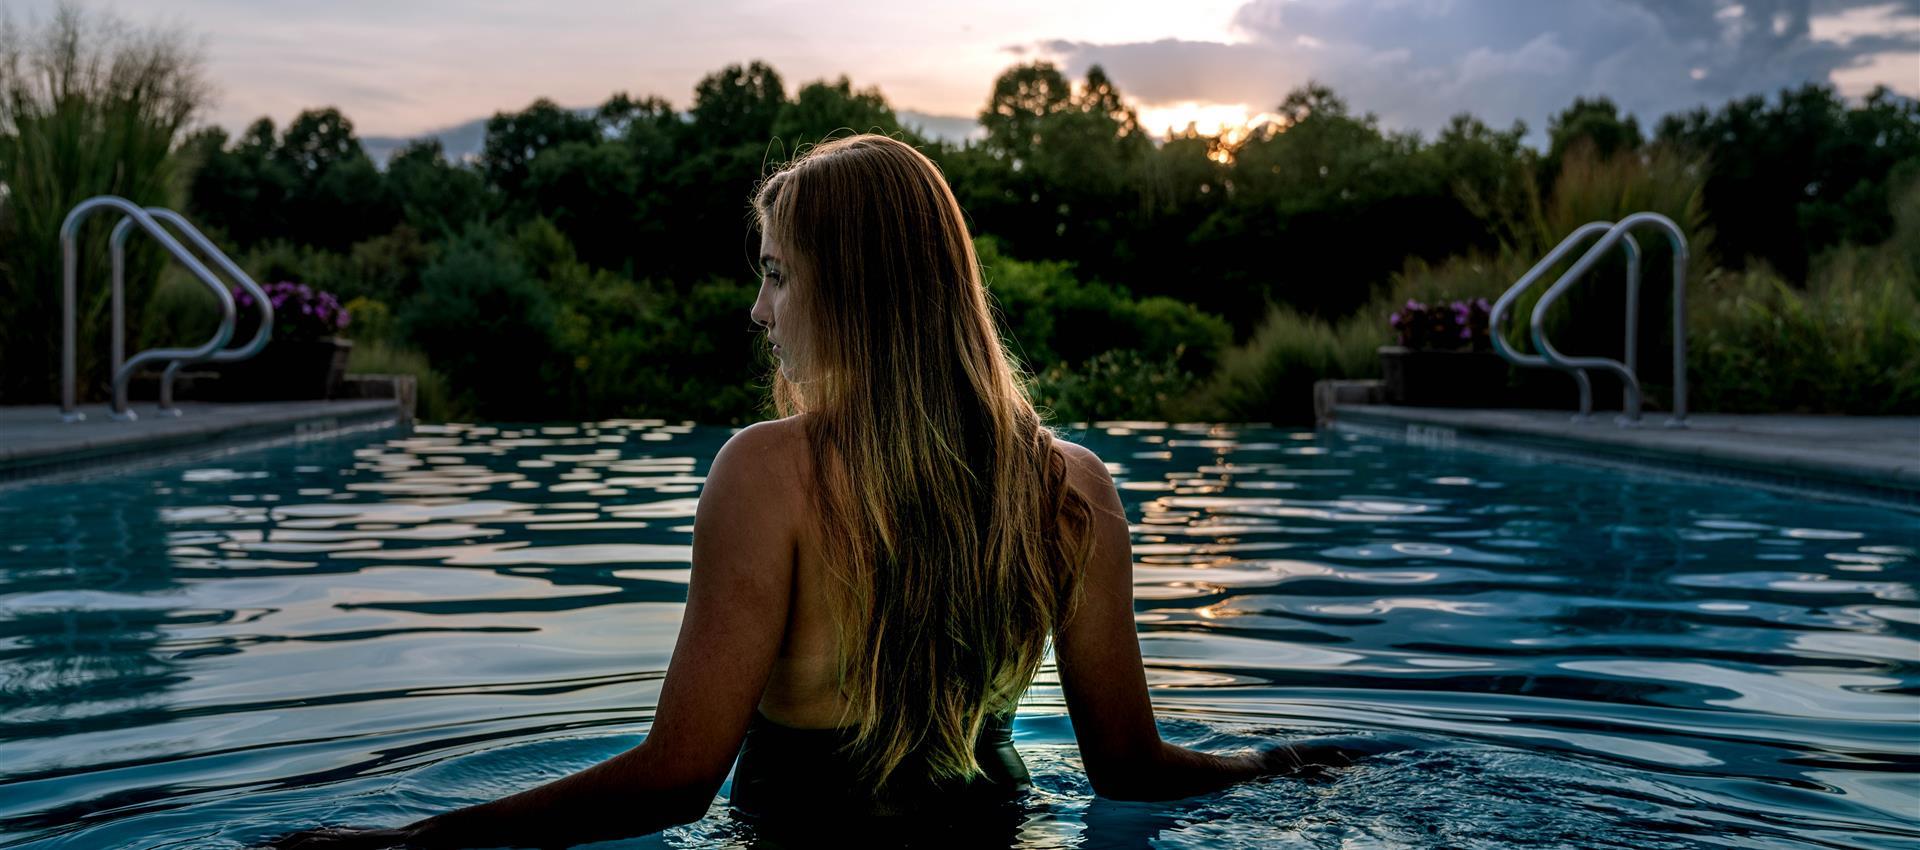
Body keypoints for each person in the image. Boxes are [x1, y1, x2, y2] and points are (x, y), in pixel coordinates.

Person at [267, 134, 1398, 850]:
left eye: (776, 273)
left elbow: (673, 784)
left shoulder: (768, 473)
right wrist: (1286, 764)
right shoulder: (1071, 489)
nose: (760, 311)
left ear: (848, 288)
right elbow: (1133, 771)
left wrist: (409, 840)